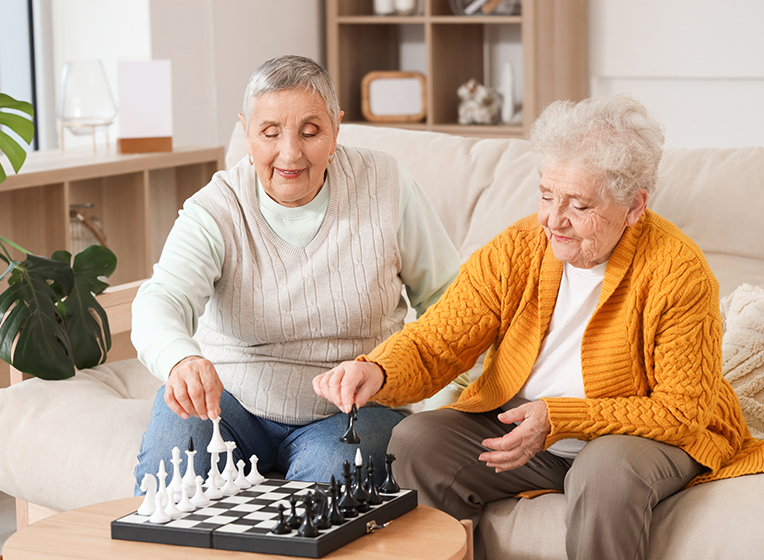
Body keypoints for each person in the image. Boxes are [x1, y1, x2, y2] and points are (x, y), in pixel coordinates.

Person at [313, 93, 764, 560]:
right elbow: (438, 340)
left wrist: (557, 419)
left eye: (580, 206)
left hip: (642, 439)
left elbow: (680, 411)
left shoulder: (678, 272)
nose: (554, 220)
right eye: (547, 195)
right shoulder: (518, 248)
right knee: (417, 442)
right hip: (529, 434)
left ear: (634, 207)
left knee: (603, 469)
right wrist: (379, 370)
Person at [130, 55, 460, 488]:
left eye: (310, 131)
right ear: (246, 133)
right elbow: (162, 298)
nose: (290, 153)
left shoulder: (387, 184)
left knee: (325, 500)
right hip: (228, 402)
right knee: (171, 477)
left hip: (355, 408)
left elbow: (449, 297)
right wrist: (182, 358)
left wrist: (449, 402)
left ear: (336, 129)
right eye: (269, 133)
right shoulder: (216, 207)